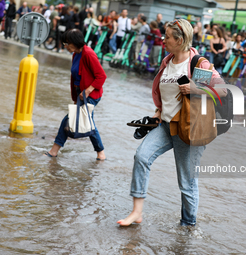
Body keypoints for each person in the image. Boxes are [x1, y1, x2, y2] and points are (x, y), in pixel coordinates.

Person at [117, 19, 225, 227]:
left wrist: (196, 89)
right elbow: (164, 94)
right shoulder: (167, 61)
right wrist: (158, 112)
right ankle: (136, 212)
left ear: (180, 39)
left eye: (167, 36)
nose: (163, 39)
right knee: (141, 157)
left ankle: (188, 226)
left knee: (186, 182)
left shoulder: (197, 64)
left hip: (190, 129)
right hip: (166, 125)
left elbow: (222, 91)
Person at [45, 29, 106, 161]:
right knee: (88, 123)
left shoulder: (89, 54)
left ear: (73, 42)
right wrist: (77, 97)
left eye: (66, 43)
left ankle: (54, 151)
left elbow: (101, 76)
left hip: (90, 94)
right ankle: (100, 153)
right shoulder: (75, 54)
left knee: (70, 120)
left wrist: (87, 91)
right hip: (81, 94)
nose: (65, 46)